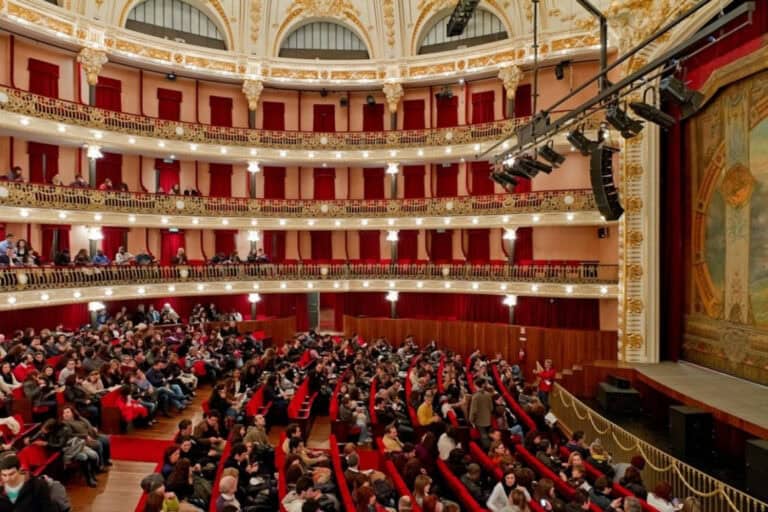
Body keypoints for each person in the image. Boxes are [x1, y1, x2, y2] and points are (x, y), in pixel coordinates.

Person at [61, 404, 112, 470]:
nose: (65, 414)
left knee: (106, 439)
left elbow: (88, 424)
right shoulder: (65, 424)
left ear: (73, 413)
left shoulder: (79, 418)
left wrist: (93, 428)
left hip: (92, 434)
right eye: (64, 413)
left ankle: (106, 459)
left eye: (67, 412)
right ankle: (99, 465)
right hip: (82, 439)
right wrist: (85, 436)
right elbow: (70, 435)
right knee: (98, 444)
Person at [469, 379, 494, 449]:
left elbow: (473, 411)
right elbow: (491, 408)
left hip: (479, 421)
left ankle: (488, 451)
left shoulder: (475, 397)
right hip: (488, 419)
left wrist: (471, 420)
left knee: (484, 436)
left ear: (476, 386)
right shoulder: (488, 394)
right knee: (489, 435)